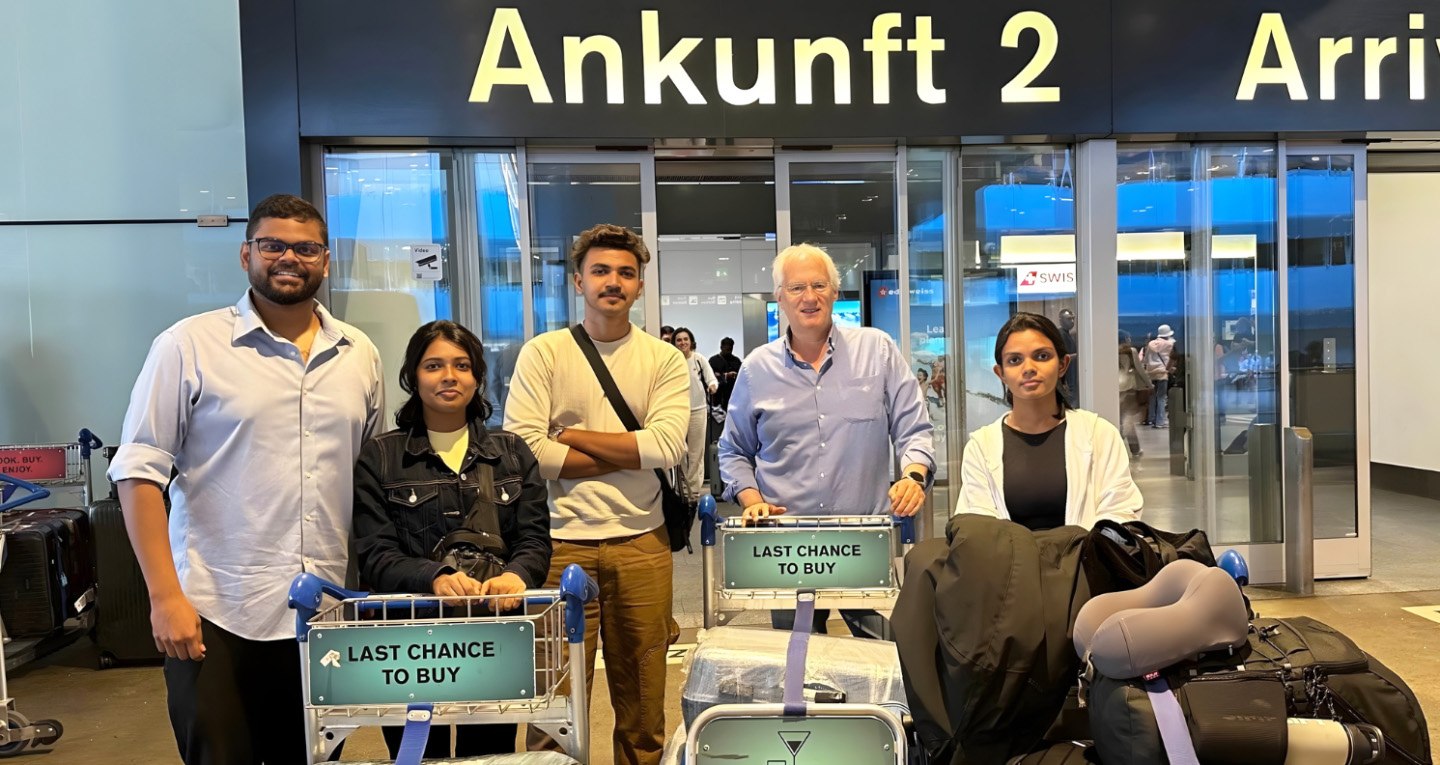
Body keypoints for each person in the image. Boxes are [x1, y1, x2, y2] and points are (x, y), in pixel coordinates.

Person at [108, 194, 386, 763]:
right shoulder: (187, 346)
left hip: (325, 614)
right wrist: (165, 599)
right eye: (273, 245)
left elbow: (370, 477)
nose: (289, 257)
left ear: (326, 261)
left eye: (306, 248)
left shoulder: (360, 354)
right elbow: (137, 473)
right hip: (216, 609)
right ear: (245, 255)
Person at [502, 223, 689, 765]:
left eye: (626, 273)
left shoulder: (664, 360)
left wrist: (570, 435)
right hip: (556, 546)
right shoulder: (545, 354)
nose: (614, 282)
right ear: (578, 281)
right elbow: (527, 454)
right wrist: (629, 448)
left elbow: (667, 447)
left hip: (642, 545)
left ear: (639, 285)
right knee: (551, 703)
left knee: (644, 702)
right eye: (601, 271)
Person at [353, 320, 551, 759]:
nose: (449, 376)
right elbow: (374, 553)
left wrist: (518, 576)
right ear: (412, 376)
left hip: (492, 640)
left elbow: (535, 539)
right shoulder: (381, 457)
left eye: (462, 365)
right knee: (417, 753)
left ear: (478, 376)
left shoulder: (512, 452)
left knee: (489, 752)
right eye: (434, 365)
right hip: (409, 647)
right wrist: (434, 577)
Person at [718, 243, 935, 638]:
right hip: (786, 549)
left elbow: (913, 428)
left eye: (819, 285)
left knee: (886, 661)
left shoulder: (878, 351)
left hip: (865, 541)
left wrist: (914, 475)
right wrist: (752, 501)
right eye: (797, 287)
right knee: (796, 669)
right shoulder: (756, 369)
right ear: (780, 297)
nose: (809, 297)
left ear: (835, 292)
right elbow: (733, 450)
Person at [954, 312, 1142, 531]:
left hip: (1087, 562)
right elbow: (977, 526)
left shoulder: (1099, 434)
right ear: (1001, 373)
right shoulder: (981, 447)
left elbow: (1121, 512)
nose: (1029, 368)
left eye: (1042, 356)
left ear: (1062, 364)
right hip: (1008, 565)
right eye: (1015, 360)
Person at [672, 327, 718, 500]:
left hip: (698, 410)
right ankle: (683, 488)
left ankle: (694, 490)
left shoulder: (699, 360)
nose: (683, 343)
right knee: (680, 451)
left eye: (685, 339)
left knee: (696, 452)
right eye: (679, 340)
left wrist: (713, 386)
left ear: (691, 341)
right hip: (677, 411)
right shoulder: (671, 360)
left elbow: (711, 378)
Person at [1117, 331, 1152, 459]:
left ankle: (1133, 449)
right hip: (1128, 388)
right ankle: (1130, 449)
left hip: (1115, 388)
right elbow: (1140, 369)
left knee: (1123, 419)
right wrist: (1149, 384)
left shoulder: (1111, 350)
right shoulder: (1131, 351)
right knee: (1127, 421)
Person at [1143, 324, 1176, 428]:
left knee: (1152, 397)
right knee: (1161, 397)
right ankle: (1160, 421)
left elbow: (1146, 359)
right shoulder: (1170, 344)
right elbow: (1172, 358)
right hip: (1162, 373)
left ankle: (1151, 418)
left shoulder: (1150, 344)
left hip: (1151, 374)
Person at [1057, 308, 1080, 407]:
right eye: (1069, 319)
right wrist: (1080, 355)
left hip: (1072, 376)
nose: (1072, 321)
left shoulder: (1067, 334)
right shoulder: (1061, 334)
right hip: (1067, 378)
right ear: (1061, 320)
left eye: (1073, 319)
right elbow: (1061, 358)